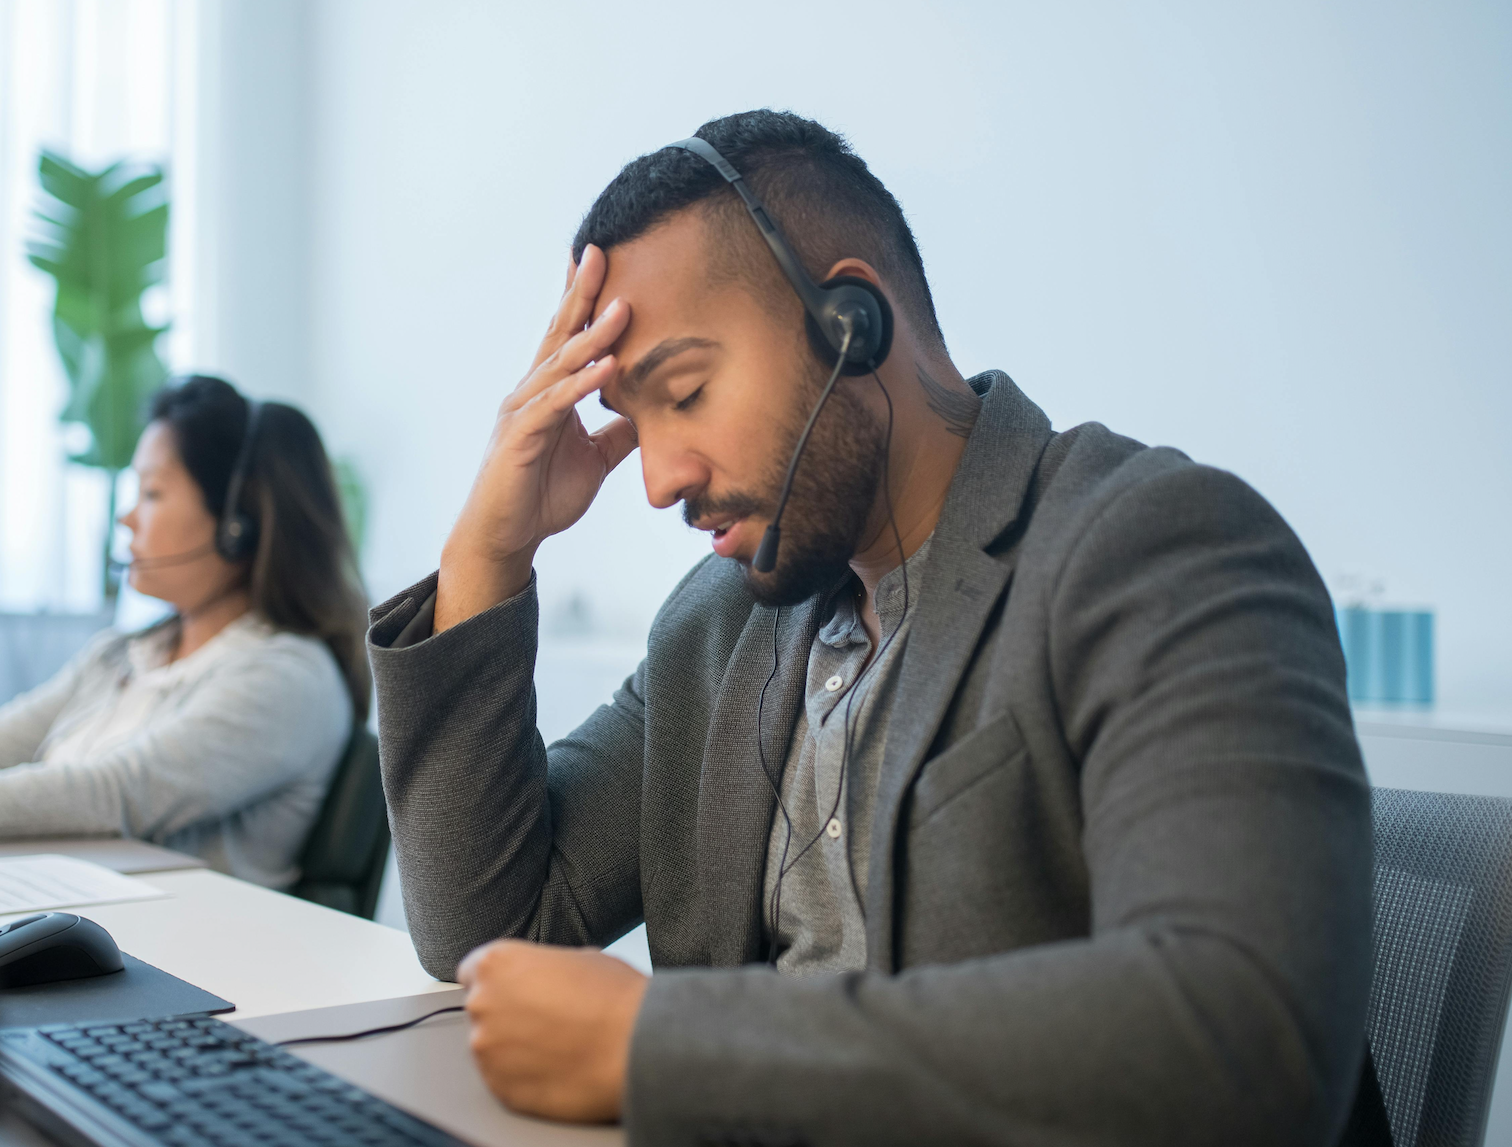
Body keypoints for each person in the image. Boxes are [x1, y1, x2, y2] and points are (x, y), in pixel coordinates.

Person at [369, 111, 1384, 1146]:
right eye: (641, 423)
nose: (661, 476)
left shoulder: (1157, 545)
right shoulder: (719, 629)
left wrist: (671, 1047)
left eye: (687, 392)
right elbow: (486, 930)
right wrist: (485, 558)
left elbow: (1249, 1039)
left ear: (852, 318)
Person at [0, 376, 369, 889]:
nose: (127, 518)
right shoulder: (122, 656)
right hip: (64, 908)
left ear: (239, 521)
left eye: (152, 493)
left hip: (168, 950)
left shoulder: (287, 677)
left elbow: (116, 794)